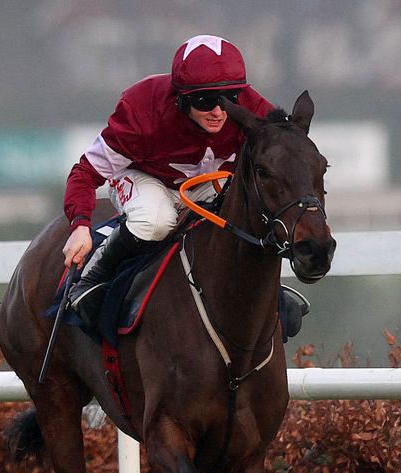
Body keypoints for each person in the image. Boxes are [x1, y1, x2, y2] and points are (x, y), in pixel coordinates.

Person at [61, 34, 275, 327]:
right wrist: (80, 226)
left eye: (229, 100)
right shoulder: (143, 111)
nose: (218, 112)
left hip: (207, 182)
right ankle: (92, 278)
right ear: (182, 98)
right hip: (144, 177)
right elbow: (85, 173)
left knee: (246, 210)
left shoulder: (254, 109)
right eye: (205, 101)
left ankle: (270, 293)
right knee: (155, 221)